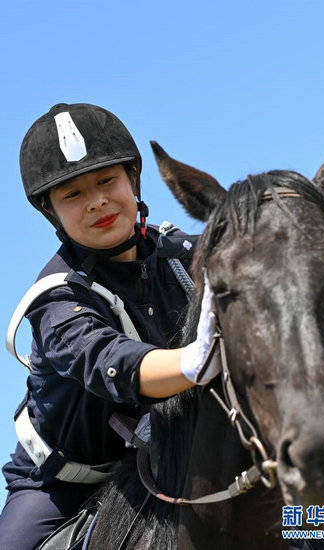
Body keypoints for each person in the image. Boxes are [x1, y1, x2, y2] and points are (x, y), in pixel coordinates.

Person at [0, 103, 219, 550]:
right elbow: (115, 364)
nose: (97, 201)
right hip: (64, 486)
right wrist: (202, 359)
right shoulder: (56, 299)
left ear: (132, 180)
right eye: (72, 194)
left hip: (181, 454)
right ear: (51, 212)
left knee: (315, 516)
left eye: (106, 181)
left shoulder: (186, 255)